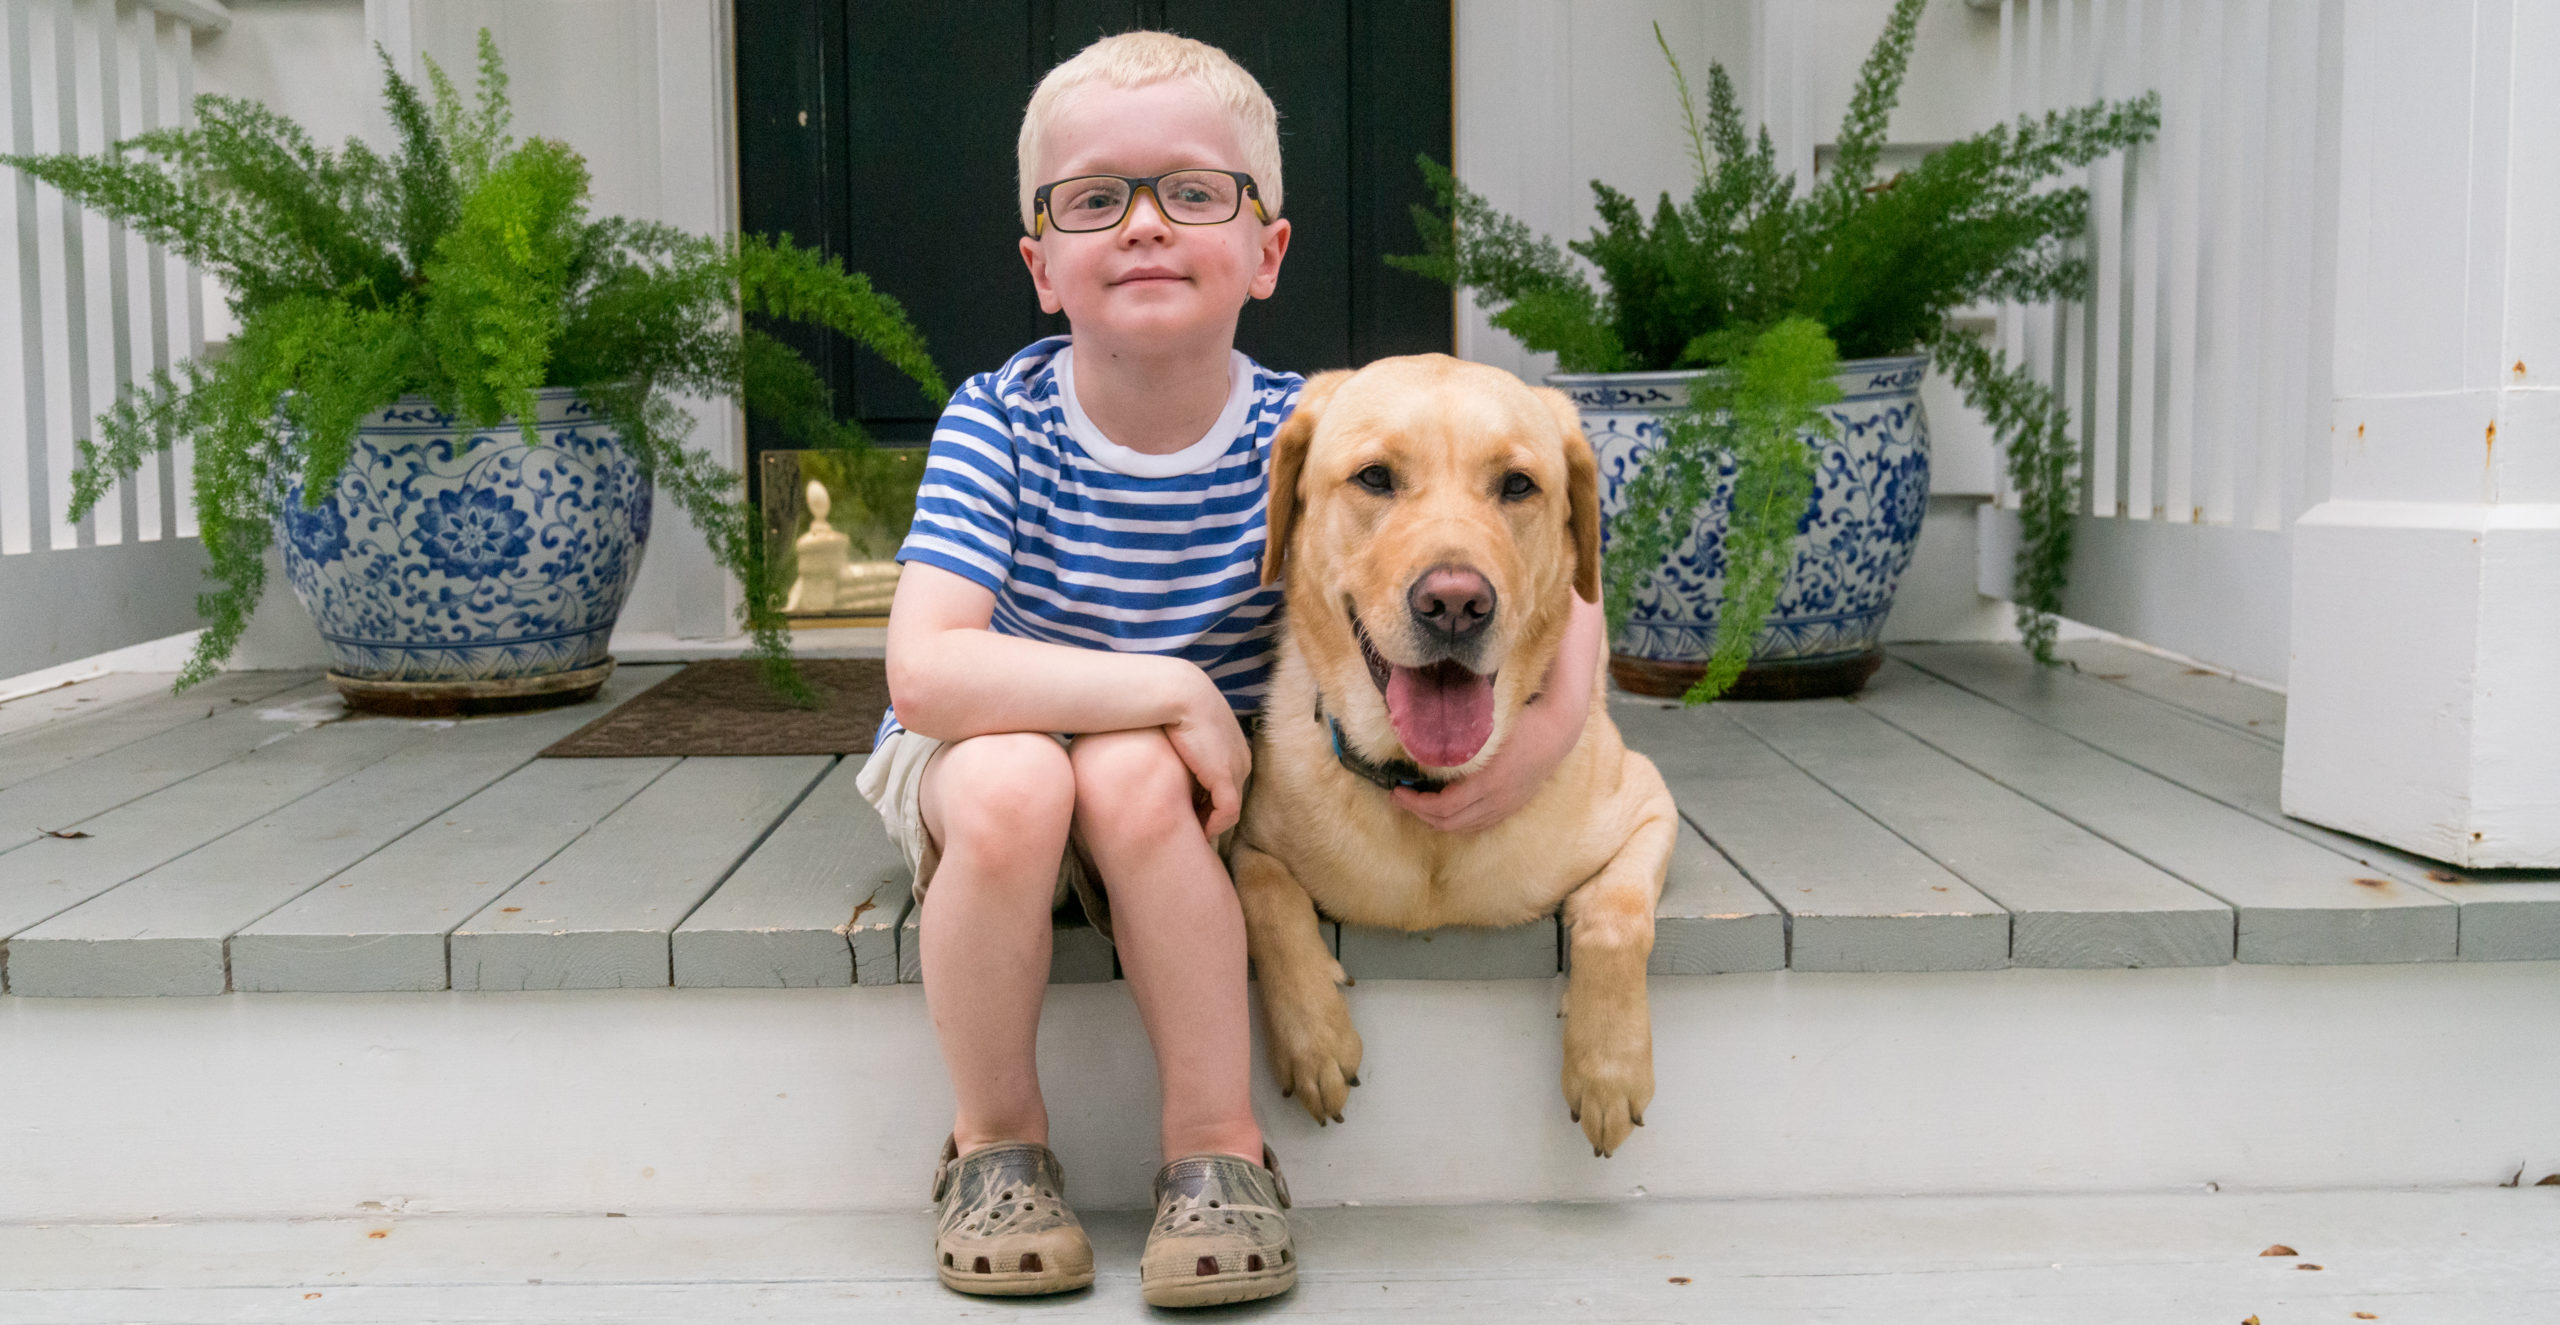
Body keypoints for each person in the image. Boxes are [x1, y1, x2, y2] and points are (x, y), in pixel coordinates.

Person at [857, 30, 1605, 1308]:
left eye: (1193, 192)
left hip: (1168, 792)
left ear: (1267, 250)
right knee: (1019, 787)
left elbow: (1557, 588)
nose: (1144, 224)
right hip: (989, 754)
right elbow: (928, 674)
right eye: (1095, 199)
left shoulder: (1309, 429)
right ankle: (994, 1144)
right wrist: (1170, 690)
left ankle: (1216, 1147)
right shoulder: (998, 419)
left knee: (1135, 784)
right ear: (1042, 267)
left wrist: (1532, 748)